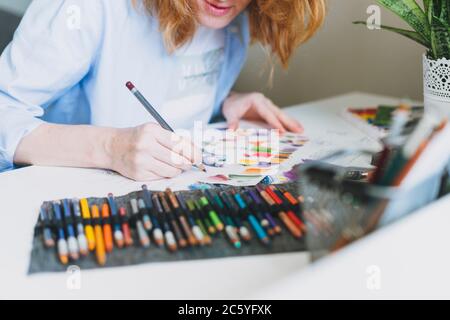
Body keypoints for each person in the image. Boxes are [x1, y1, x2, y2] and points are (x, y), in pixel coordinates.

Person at [0, 0, 326, 180]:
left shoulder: (231, 18)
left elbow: (161, 93)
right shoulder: (88, 7)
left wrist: (224, 101)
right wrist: (110, 148)